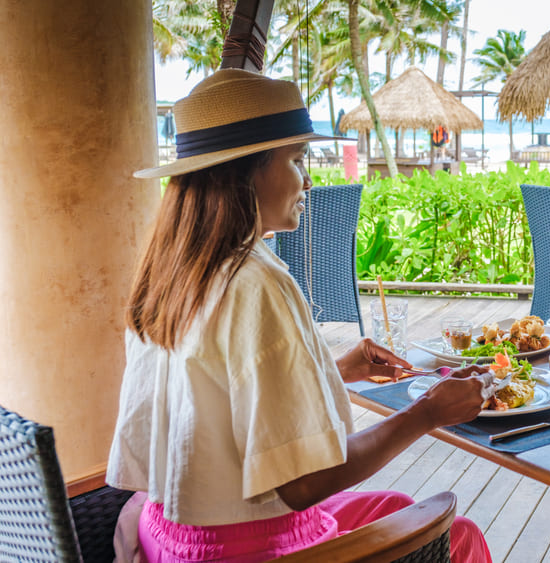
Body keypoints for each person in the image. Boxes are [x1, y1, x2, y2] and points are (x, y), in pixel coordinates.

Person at [108, 69, 495, 562]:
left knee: (395, 504)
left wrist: (330, 370)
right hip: (242, 550)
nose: (308, 178)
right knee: (454, 534)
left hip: (168, 531)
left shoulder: (170, 272)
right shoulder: (255, 282)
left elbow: (212, 403)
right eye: (296, 159)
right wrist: (428, 413)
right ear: (246, 172)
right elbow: (304, 483)